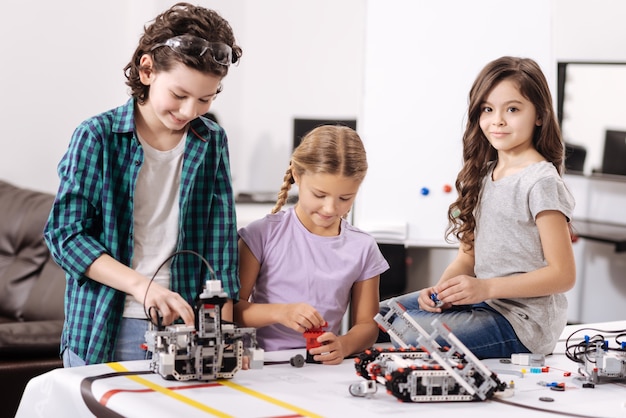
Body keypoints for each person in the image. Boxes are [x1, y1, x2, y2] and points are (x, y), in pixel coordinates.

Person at [43, 3, 243, 366]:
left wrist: (224, 336)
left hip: (187, 328)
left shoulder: (211, 140)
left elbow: (221, 249)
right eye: (179, 95)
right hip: (106, 326)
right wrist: (142, 286)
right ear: (147, 69)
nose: (189, 112)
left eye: (205, 98)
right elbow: (65, 237)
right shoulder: (97, 136)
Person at [379, 56, 576, 359]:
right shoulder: (482, 176)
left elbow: (563, 275)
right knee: (381, 313)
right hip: (483, 304)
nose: (497, 120)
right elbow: (466, 259)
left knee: (405, 328)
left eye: (512, 109)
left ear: (539, 115)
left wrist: (485, 288)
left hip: (522, 324)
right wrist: (441, 293)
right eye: (487, 109)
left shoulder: (541, 182)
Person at [234, 125, 389, 365]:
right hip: (260, 365)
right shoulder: (261, 234)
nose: (330, 208)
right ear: (297, 174)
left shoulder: (363, 247)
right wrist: (280, 312)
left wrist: (344, 344)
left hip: (320, 368)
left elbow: (367, 325)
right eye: (319, 195)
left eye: (345, 198)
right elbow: (232, 311)